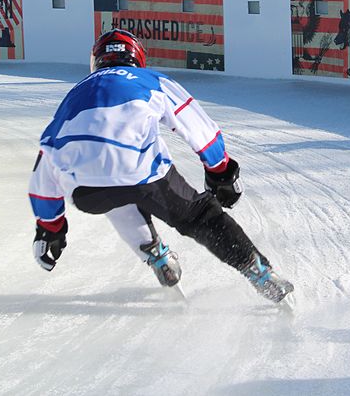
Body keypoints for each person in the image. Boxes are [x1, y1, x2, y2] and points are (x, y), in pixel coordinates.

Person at [28, 29, 294, 304]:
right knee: (200, 217)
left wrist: (50, 226)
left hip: (85, 190)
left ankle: (156, 256)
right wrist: (220, 171)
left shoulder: (73, 95)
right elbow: (198, 127)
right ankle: (259, 272)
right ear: (138, 58)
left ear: (97, 60)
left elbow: (46, 157)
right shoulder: (151, 79)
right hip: (144, 175)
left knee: (113, 190)